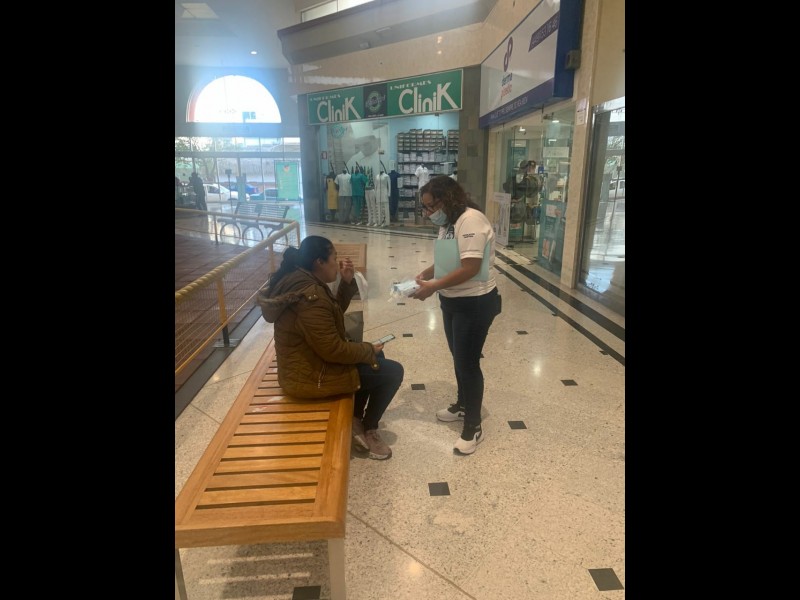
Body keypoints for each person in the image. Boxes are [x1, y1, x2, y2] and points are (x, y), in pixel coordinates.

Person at [257, 235, 404, 460]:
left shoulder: (301, 281)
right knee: (393, 371)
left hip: (305, 366)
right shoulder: (310, 296)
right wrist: (367, 349)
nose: (337, 264)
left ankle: (355, 419)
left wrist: (346, 283)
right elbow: (332, 350)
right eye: (334, 258)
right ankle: (369, 428)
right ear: (319, 262)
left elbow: (328, 316)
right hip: (311, 377)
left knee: (377, 355)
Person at [410, 176, 501, 455]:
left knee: (467, 363)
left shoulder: (471, 220)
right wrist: (427, 273)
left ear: (447, 199)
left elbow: (470, 267)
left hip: (474, 303)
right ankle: (463, 405)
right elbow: (449, 260)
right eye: (425, 207)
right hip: (452, 301)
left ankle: (474, 426)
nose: (428, 213)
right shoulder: (449, 223)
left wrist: (433, 286)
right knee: (458, 358)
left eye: (431, 206)